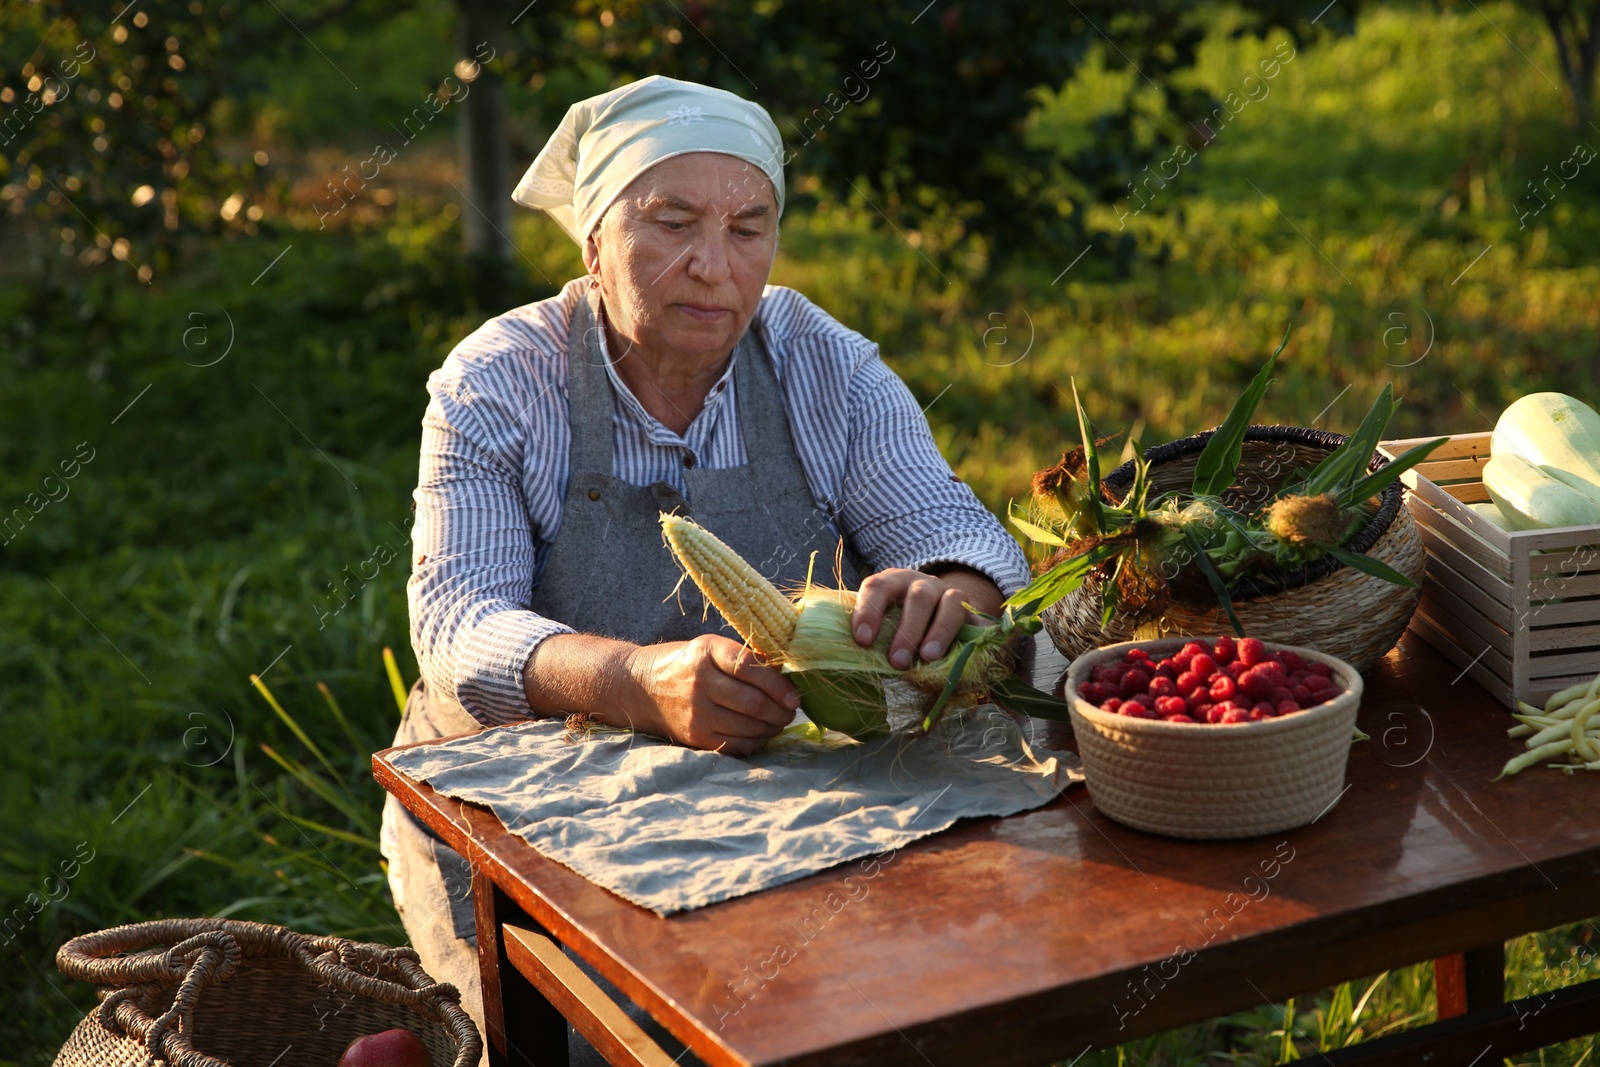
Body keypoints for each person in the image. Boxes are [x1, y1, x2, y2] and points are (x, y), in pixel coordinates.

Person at [379, 75, 1029, 1062]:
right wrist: (633, 681)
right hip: (520, 798)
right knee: (584, 1036)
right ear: (593, 242)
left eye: (747, 228)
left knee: (863, 1005)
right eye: (670, 222)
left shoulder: (821, 362)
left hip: (770, 784)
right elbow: (459, 625)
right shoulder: (500, 380)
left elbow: (959, 533)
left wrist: (948, 592)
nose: (711, 267)